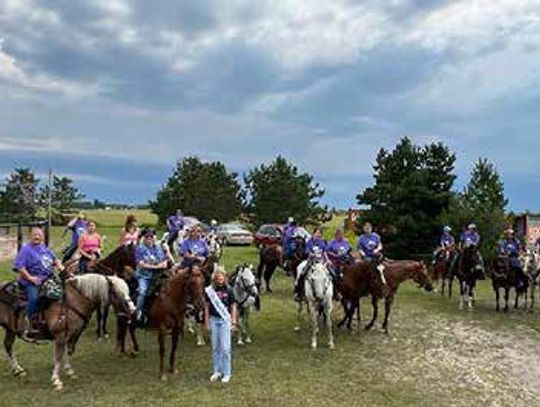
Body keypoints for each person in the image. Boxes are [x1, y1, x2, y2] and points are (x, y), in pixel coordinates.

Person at [13, 227, 64, 340]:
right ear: (30, 236)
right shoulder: (26, 250)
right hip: (30, 281)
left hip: (47, 279)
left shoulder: (45, 249)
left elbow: (54, 260)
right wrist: (30, 278)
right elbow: (19, 267)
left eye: (39, 235)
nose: (37, 237)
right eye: (34, 235)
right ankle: (28, 323)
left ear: (42, 237)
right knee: (34, 298)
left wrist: (59, 265)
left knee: (60, 293)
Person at [204, 267, 237, 384]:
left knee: (225, 348)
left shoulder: (229, 290)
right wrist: (206, 321)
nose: (220, 280)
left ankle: (227, 372)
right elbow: (206, 307)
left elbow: (233, 306)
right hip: (213, 319)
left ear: (225, 278)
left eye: (222, 278)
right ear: (215, 279)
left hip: (225, 321)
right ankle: (216, 371)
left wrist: (233, 320)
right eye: (218, 278)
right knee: (215, 347)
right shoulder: (209, 291)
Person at [134, 229, 168, 321]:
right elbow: (141, 264)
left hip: (157, 276)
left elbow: (164, 262)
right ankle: (138, 312)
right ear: (144, 238)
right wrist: (156, 266)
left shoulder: (157, 248)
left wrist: (159, 265)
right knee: (142, 292)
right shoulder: (140, 248)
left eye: (151, 237)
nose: (149, 239)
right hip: (143, 276)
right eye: (147, 237)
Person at [294, 227, 327, 300]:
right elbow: (307, 251)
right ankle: (298, 292)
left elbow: (324, 251)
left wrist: (327, 259)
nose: (318, 235)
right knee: (302, 272)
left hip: (321, 261)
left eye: (320, 233)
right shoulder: (309, 242)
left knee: (333, 273)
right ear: (313, 233)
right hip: (311, 261)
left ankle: (335, 292)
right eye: (317, 233)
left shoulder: (322, 242)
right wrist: (311, 254)